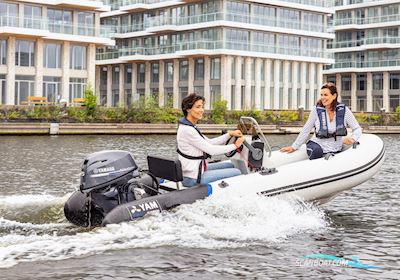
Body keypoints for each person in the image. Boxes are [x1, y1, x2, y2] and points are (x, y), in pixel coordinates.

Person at [177, 93, 244, 187]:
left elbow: (209, 142)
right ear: (188, 109)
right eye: (198, 107)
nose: (201, 110)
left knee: (230, 166)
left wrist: (229, 134)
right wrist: (235, 146)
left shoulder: (189, 127)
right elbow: (211, 150)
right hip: (192, 178)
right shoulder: (188, 130)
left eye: (202, 107)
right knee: (237, 171)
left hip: (194, 171)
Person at [280, 82, 362, 160]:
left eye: (325, 95)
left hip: (336, 148)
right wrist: (294, 146)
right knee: (317, 151)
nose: (322, 97)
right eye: (321, 95)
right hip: (316, 145)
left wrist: (353, 139)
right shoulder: (316, 110)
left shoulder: (344, 110)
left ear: (334, 96)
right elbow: (306, 130)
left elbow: (357, 128)